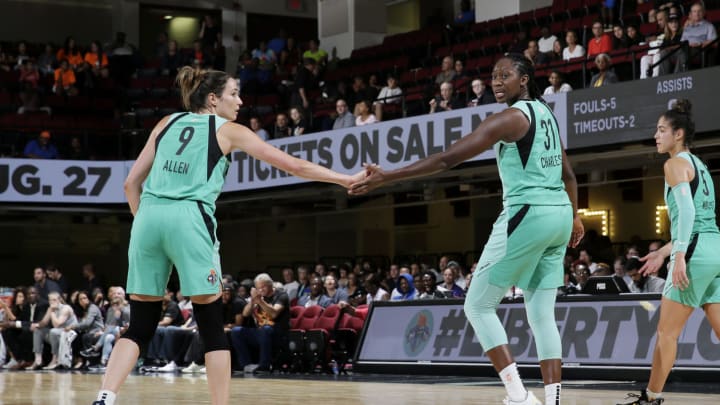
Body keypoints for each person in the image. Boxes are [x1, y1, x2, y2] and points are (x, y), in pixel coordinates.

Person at [91, 66, 364, 405]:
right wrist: (344, 179)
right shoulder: (228, 130)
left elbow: (130, 184)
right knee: (210, 324)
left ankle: (105, 396)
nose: (240, 100)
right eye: (234, 93)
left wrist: (148, 222)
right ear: (212, 99)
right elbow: (292, 165)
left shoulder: (165, 123)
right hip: (190, 218)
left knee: (139, 327)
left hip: (147, 217)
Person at [351, 53, 584, 405]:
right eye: (493, 75)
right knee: (541, 314)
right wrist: (576, 217)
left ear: (524, 80)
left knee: (477, 306)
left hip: (529, 213)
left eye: (505, 75)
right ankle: (552, 401)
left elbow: (447, 159)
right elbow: (568, 174)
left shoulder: (510, 119)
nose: (496, 81)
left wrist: (388, 176)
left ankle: (519, 396)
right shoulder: (546, 113)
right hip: (560, 216)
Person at [617, 99, 720, 405]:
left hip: (696, 253)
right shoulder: (699, 164)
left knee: (666, 333)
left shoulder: (674, 163)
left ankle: (652, 398)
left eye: (662, 130)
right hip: (714, 248)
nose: (656, 135)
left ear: (678, 134)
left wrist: (677, 256)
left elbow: (687, 213)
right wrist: (663, 252)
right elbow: (702, 219)